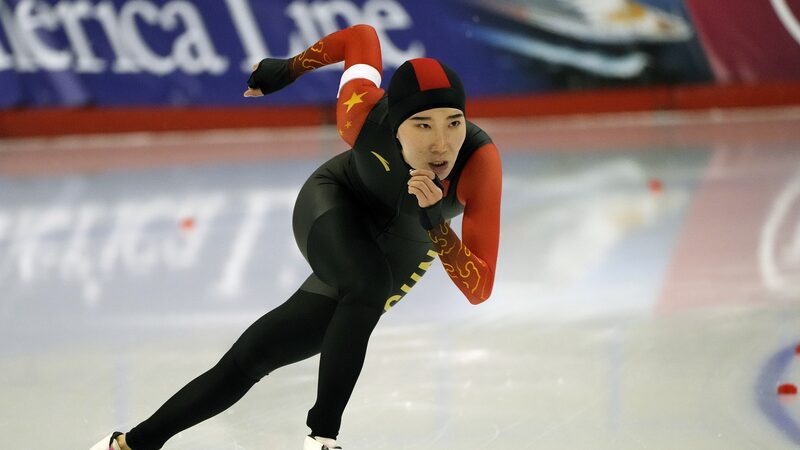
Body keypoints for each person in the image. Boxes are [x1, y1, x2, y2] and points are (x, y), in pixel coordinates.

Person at [90, 23, 502, 450]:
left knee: (258, 354)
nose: (442, 145)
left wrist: (435, 223)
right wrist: (287, 70)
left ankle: (128, 445)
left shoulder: (480, 162)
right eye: (422, 125)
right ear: (394, 123)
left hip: (406, 243)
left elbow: (479, 288)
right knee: (367, 284)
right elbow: (359, 37)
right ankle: (323, 437)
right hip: (335, 204)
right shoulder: (359, 115)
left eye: (454, 122)